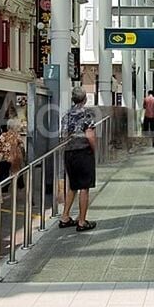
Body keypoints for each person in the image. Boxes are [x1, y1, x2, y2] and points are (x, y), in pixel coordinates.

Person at [58, 87, 97, 232]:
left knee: (73, 186)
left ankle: (65, 217)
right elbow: (90, 135)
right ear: (85, 99)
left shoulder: (66, 115)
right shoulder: (87, 114)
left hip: (69, 153)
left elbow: (63, 135)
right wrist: (94, 150)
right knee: (84, 188)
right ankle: (82, 221)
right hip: (83, 152)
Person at [0, 118, 25, 186]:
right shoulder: (17, 135)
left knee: (3, 174)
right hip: (14, 157)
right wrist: (22, 156)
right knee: (17, 173)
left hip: (3, 157)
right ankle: (18, 188)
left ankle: (3, 190)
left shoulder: (3, 135)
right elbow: (21, 147)